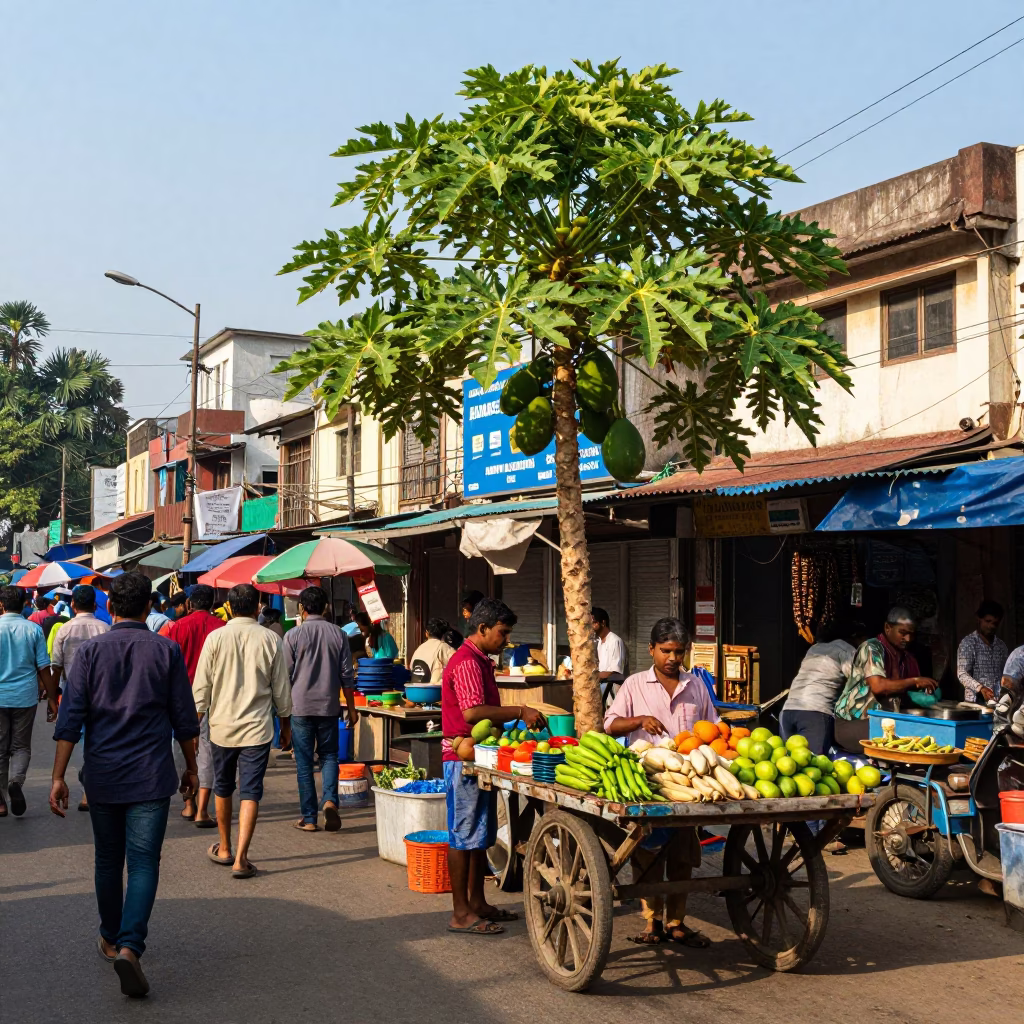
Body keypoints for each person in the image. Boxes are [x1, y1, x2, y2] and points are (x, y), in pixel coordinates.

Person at [49, 571, 200, 999]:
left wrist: (59, 776)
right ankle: (131, 947)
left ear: (110, 607)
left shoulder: (91, 654)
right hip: (151, 775)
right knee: (145, 863)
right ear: (149, 608)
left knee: (107, 861)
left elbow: (70, 720)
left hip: (103, 775)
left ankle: (111, 937)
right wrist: (192, 768)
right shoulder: (166, 651)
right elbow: (184, 718)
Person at [605, 617, 717, 948]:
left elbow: (712, 727)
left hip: (687, 783)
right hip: (648, 782)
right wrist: (638, 720)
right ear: (652, 649)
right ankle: (651, 922)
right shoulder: (634, 685)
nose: (672, 658)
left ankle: (677, 922)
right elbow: (610, 723)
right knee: (647, 852)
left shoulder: (696, 686)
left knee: (683, 852)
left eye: (679, 652)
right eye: (666, 650)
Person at [442, 597, 543, 936]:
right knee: (464, 835)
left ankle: (478, 902)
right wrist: (520, 711)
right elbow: (472, 713)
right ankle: (460, 913)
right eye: (502, 632)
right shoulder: (468, 662)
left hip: (478, 755)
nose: (506, 639)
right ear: (482, 629)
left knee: (479, 835)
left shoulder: (481, 659)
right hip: (462, 757)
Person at [193, 583, 292, 878]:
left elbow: (201, 690)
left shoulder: (215, 638)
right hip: (257, 730)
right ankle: (242, 859)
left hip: (221, 727)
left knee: (223, 787)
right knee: (251, 791)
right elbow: (282, 690)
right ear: (257, 605)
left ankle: (224, 848)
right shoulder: (271, 639)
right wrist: (285, 725)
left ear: (230, 606)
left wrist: (192, 730)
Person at [284, 585, 356, 832]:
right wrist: (353, 709)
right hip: (328, 706)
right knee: (329, 756)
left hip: (300, 707)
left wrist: (282, 713)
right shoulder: (338, 634)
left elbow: (285, 675)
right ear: (325, 607)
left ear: (302, 609)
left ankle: (309, 818)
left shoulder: (293, 636)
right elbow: (347, 675)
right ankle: (329, 801)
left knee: (304, 762)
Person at [833, 607, 938, 750]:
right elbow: (879, 686)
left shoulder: (907, 658)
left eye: (911, 635)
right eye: (903, 633)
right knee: (900, 745)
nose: (907, 639)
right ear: (887, 627)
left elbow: (906, 692)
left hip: (883, 722)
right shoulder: (871, 648)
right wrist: (915, 681)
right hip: (853, 723)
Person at [165, 584, 224, 826]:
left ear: (190, 604)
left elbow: (165, 664)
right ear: (212, 604)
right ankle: (202, 809)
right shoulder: (222, 629)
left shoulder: (177, 628)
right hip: (213, 699)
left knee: (181, 750)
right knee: (208, 752)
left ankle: (188, 804)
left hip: (182, 698)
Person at [51, 585, 111, 812]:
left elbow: (55, 666)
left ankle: (71, 782)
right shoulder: (105, 628)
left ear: (73, 605)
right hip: (101, 693)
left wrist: (53, 696)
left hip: (72, 692)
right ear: (95, 605)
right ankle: (88, 791)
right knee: (94, 741)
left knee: (69, 737)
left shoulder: (64, 630)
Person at [0, 585, 55, 818]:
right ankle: (16, 782)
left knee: (0, 749)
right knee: (21, 746)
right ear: (24, 604)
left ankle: (1, 801)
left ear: (1, 605)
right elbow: (44, 667)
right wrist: (53, 698)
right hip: (25, 696)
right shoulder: (33, 629)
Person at [779, 621, 867, 756]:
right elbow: (861, 683)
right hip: (814, 714)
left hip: (787, 712)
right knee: (814, 766)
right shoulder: (847, 650)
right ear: (855, 637)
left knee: (789, 765)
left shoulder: (815, 648)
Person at [957, 600, 1008, 704]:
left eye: (995, 623)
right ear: (979, 619)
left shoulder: (1001, 646)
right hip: (975, 702)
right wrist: (981, 688)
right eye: (987, 621)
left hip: (997, 702)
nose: (991, 626)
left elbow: (1005, 674)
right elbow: (962, 673)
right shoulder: (969, 643)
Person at [592, 606, 627, 702]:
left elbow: (614, 670)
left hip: (613, 689)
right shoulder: (599, 642)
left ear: (603, 622)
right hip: (602, 687)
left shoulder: (615, 641)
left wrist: (592, 677)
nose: (591, 626)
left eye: (594, 623)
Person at [409, 618, 456, 686]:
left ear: (427, 633)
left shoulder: (419, 648)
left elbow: (411, 668)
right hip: (433, 691)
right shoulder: (443, 646)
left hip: (415, 690)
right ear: (444, 634)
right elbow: (459, 663)